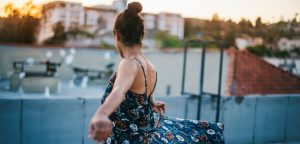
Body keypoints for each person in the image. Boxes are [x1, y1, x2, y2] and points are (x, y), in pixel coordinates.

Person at [88, 2, 224, 144]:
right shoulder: (147, 64)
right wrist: (151, 102)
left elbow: (119, 91)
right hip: (147, 131)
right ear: (142, 35)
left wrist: (102, 114)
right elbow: (139, 91)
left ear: (117, 35)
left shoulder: (129, 63)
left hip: (131, 139)